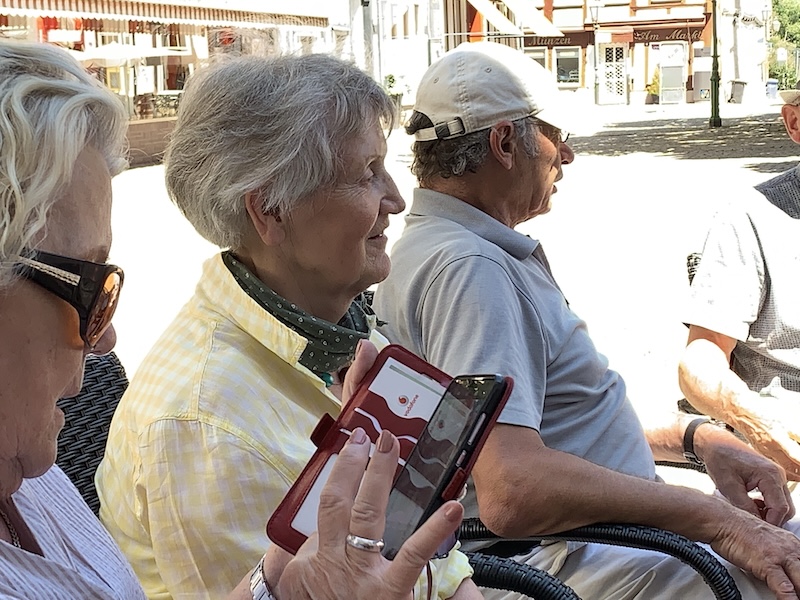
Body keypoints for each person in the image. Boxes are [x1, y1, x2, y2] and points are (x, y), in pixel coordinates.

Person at [0, 39, 467, 600]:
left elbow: (422, 559)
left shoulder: (30, 478)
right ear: (269, 210)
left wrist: (280, 587)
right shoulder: (204, 423)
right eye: (367, 172)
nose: (396, 198)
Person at [374, 40, 800, 599]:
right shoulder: (472, 269)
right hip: (562, 560)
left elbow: (549, 429)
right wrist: (718, 521)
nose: (568, 155)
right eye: (558, 136)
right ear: (505, 142)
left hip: (582, 548)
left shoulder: (443, 249)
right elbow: (511, 489)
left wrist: (696, 438)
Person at [678, 82, 800, 480]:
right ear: (794, 123)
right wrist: (753, 419)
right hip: (788, 445)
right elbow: (701, 359)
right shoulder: (749, 218)